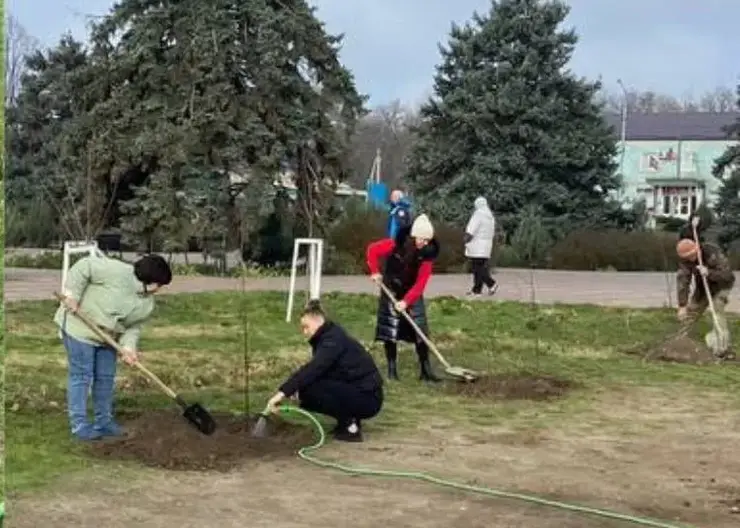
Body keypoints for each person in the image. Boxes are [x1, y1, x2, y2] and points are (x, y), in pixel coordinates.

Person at [55, 254, 173, 440]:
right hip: (79, 327)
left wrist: (128, 348)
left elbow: (133, 327)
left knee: (105, 378)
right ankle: (80, 426)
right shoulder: (116, 271)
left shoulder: (147, 304)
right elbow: (83, 267)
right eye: (159, 284)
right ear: (150, 280)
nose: (159, 289)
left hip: (107, 339)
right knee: (82, 375)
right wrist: (72, 296)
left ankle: (104, 422)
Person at [265, 301, 383, 442]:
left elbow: (314, 368)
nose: (304, 332)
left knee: (308, 392)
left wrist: (282, 393)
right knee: (309, 387)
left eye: (306, 327)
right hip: (360, 391)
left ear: (318, 322)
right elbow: (321, 372)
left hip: (369, 399)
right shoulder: (329, 336)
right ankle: (346, 421)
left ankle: (351, 426)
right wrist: (294, 388)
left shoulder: (332, 341)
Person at [366, 213, 442, 382]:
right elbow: (372, 250)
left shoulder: (427, 256)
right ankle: (392, 371)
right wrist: (375, 271)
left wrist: (407, 301)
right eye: (420, 238)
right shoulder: (395, 244)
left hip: (412, 293)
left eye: (426, 240)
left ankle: (425, 370)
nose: (422, 243)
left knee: (420, 331)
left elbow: (421, 283)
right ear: (413, 235)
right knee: (390, 331)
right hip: (391, 289)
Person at [676, 227, 736, 360]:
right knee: (691, 311)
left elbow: (728, 276)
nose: (691, 260)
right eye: (687, 258)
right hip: (703, 288)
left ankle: (722, 347)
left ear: (697, 249)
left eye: (692, 256)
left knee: (717, 308)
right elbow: (683, 281)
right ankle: (678, 341)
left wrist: (709, 273)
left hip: (721, 286)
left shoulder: (712, 253)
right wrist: (682, 305)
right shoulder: (685, 261)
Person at [464, 196, 498, 297]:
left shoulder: (478, 214)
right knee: (479, 267)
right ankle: (476, 290)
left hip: (477, 245)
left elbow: (471, 229)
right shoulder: (490, 217)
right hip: (486, 246)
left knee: (478, 268)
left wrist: (465, 239)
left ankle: (491, 283)